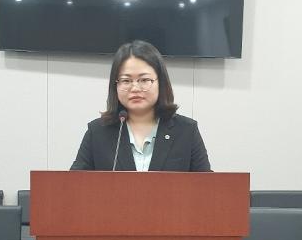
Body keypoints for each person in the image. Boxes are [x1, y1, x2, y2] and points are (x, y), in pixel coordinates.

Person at [70, 40, 211, 171]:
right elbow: (74, 184)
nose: (135, 88)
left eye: (144, 80)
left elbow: (207, 185)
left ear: (160, 82)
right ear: (116, 85)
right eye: (126, 80)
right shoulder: (97, 132)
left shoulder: (186, 131)